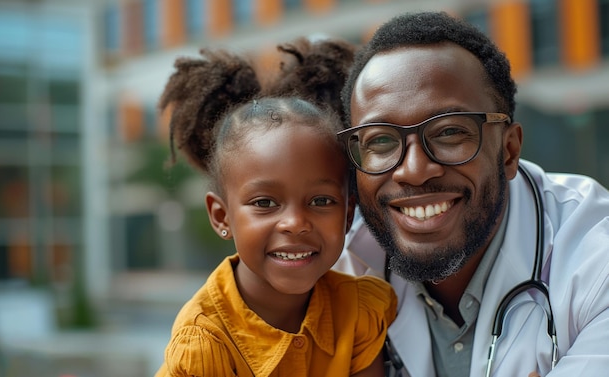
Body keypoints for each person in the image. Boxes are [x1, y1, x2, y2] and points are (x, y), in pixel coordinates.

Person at [333, 10, 609, 377]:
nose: (414, 171)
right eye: (380, 140)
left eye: (449, 132)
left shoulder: (596, 263)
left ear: (509, 151)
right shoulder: (333, 268)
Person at [154, 37, 397, 377]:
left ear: (347, 213)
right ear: (221, 216)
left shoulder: (360, 312)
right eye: (265, 203)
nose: (296, 223)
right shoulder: (205, 345)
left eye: (321, 201)